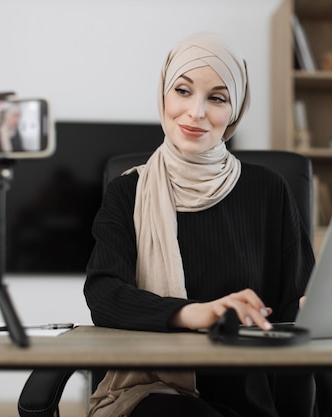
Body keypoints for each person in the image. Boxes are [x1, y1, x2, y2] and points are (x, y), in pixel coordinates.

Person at [83, 32, 315, 417]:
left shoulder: (269, 189)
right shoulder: (129, 191)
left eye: (217, 98)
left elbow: (293, 302)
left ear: (235, 111)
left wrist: (318, 308)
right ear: (164, 96)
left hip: (249, 394)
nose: (196, 112)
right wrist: (196, 313)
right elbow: (104, 294)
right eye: (183, 90)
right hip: (155, 395)